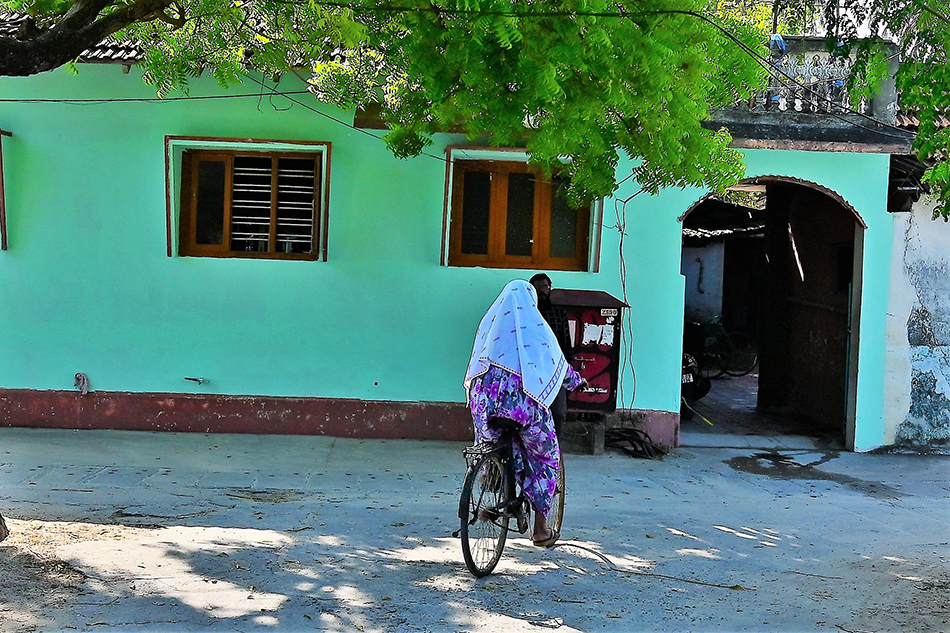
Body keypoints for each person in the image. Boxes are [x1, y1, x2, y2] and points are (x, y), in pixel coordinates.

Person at [464, 279, 585, 548]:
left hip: (484, 404)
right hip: (521, 407)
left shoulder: (489, 323)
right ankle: (541, 529)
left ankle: (492, 476)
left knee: (492, 443)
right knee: (545, 455)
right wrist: (576, 381)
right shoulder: (534, 326)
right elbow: (555, 363)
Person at [529, 273, 573, 436]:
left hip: (556, 371)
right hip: (531, 372)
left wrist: (569, 370)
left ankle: (556, 451)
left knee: (558, 412)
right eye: (538, 288)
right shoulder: (526, 314)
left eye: (545, 287)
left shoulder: (559, 313)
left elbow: (566, 343)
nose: (542, 291)